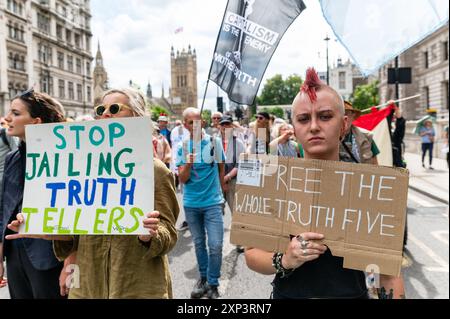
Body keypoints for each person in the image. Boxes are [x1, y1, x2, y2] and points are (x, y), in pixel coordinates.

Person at [245, 68, 406, 299]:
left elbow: (387, 274)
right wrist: (286, 259)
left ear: (343, 125)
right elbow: (252, 255)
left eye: (325, 116)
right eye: (303, 119)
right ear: (294, 129)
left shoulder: (370, 187)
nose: (313, 126)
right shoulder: (271, 180)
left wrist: (383, 288)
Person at [5, 87, 180, 298]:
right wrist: (47, 230)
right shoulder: (80, 169)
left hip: (135, 287)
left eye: (114, 108)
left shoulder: (155, 170)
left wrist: (149, 235)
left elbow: (169, 232)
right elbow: (74, 235)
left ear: (136, 115)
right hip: (88, 287)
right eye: (100, 109)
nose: (105, 113)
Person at [0, 89, 65, 299]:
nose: (7, 118)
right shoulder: (12, 158)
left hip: (50, 254)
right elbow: (4, 207)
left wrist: (72, 259)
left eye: (16, 113)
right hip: (15, 252)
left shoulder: (64, 159)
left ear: (36, 122)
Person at [177, 107, 226, 299]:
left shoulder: (214, 143)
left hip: (212, 202)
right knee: (199, 243)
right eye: (190, 122)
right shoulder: (183, 146)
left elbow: (221, 168)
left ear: (202, 123)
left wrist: (221, 192)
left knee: (215, 245)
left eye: (198, 121)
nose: (195, 125)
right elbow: (182, 179)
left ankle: (213, 283)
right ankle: (204, 278)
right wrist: (188, 164)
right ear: (185, 125)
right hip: (191, 203)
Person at [219, 115, 246, 253]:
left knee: (235, 210)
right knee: (216, 212)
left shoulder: (239, 143)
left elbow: (240, 163)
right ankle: (216, 241)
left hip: (233, 179)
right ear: (219, 126)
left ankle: (240, 241)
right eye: (223, 125)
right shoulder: (214, 141)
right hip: (216, 181)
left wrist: (228, 176)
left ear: (232, 126)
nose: (225, 127)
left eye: (228, 124)